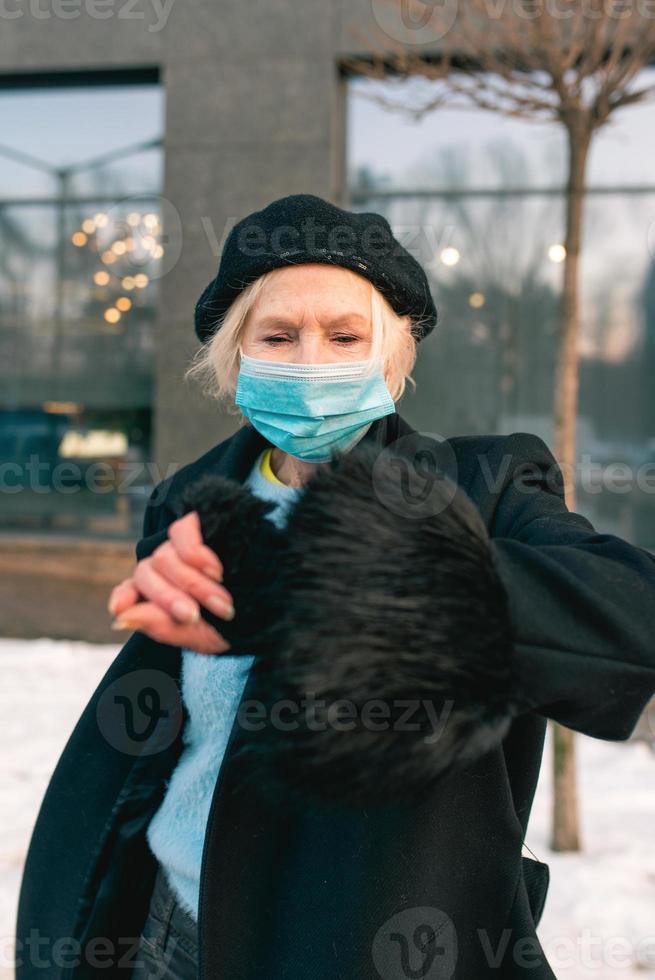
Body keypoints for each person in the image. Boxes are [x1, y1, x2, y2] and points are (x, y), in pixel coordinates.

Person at [15, 194, 655, 980]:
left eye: (344, 336)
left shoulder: (484, 484)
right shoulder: (192, 494)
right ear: (236, 357)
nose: (310, 361)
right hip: (165, 928)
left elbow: (630, 620)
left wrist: (369, 580)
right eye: (277, 336)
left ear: (389, 359)